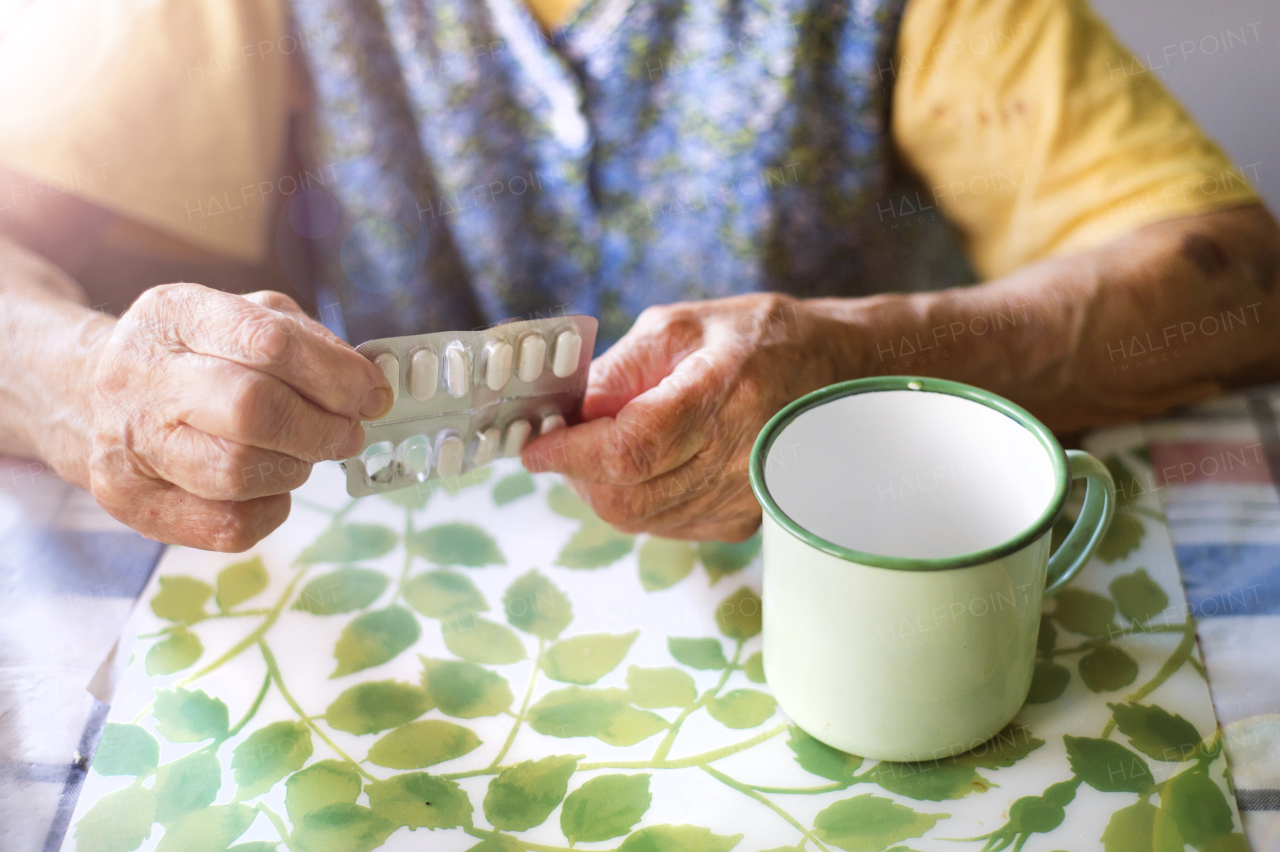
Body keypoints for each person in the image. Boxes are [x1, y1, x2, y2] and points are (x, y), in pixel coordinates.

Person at [0, 0, 1275, 551]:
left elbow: (1236, 281)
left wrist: (862, 363)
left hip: (833, 576)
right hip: (387, 636)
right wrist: (80, 378)